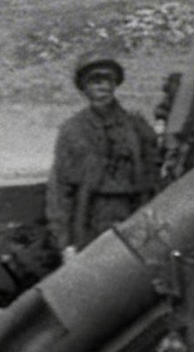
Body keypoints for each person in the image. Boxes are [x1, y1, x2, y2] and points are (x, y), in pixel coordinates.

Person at [46, 51, 160, 259]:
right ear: (84, 87)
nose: (103, 87)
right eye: (96, 81)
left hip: (133, 213)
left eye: (109, 80)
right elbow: (60, 190)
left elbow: (153, 177)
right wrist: (65, 243)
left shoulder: (137, 126)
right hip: (90, 219)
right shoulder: (73, 130)